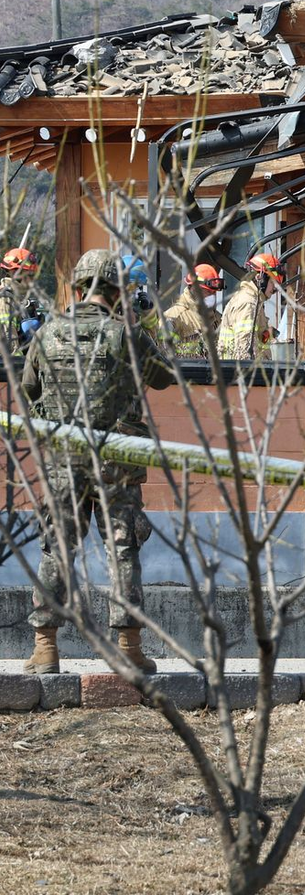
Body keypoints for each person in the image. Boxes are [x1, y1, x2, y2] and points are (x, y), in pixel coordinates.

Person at [21, 248, 174, 675]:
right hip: (116, 461)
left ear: (76, 287)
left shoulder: (47, 334)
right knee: (121, 550)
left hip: (62, 459)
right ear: (115, 290)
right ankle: (128, 648)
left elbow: (29, 390)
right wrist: (139, 323)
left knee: (56, 549)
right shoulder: (125, 334)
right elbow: (165, 376)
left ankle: (45, 648)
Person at [218, 252, 284, 361]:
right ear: (260, 278)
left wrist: (266, 335)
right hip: (239, 373)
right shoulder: (248, 303)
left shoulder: (255, 301)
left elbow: (255, 340)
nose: (274, 290)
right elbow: (244, 350)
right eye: (273, 283)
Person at [162, 264, 224, 358]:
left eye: (214, 292)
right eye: (208, 292)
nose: (212, 296)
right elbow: (163, 355)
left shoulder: (217, 318)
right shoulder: (174, 317)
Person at [0, 246, 43, 355]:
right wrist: (20, 364)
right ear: (15, 272)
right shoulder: (5, 298)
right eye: (30, 274)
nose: (33, 279)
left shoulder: (18, 297)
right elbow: (9, 340)